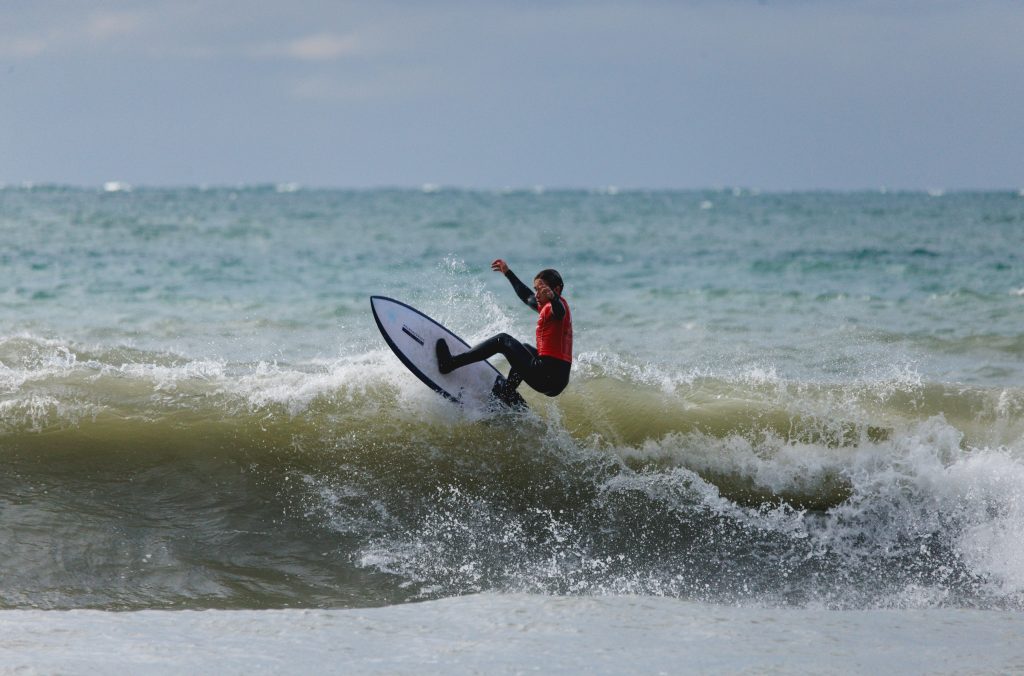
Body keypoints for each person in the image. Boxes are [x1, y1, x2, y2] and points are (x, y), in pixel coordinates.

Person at [436, 259, 572, 400]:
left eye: (541, 289)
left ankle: (450, 364)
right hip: (557, 380)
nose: (537, 294)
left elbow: (559, 312)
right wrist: (507, 272)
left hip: (547, 376)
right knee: (525, 349)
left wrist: (554, 299)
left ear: (556, 290)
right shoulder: (546, 304)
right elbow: (527, 297)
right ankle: (507, 392)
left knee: (503, 340)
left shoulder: (557, 307)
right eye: (536, 289)